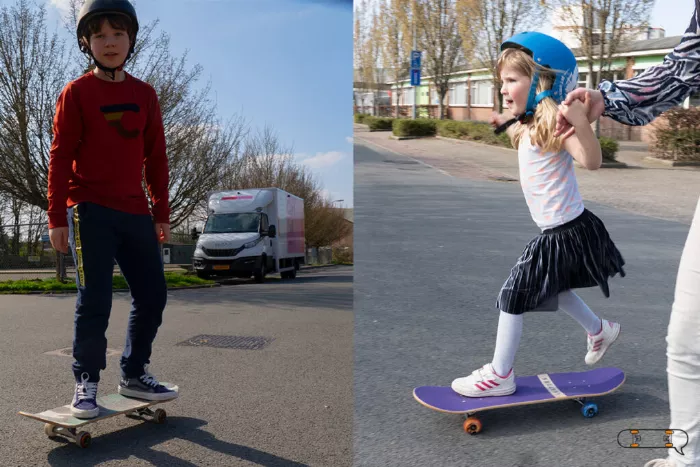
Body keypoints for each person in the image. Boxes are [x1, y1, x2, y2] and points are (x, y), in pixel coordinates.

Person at [554, 8, 700, 467]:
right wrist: (607, 98)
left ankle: (597, 331)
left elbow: (592, 160)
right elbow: (685, 67)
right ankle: (685, 457)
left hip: (569, 231)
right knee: (687, 339)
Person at [451, 31, 625, 398]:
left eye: (511, 80)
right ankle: (599, 330)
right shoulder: (529, 123)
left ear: (542, 81)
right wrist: (504, 119)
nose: (503, 88)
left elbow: (592, 161)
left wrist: (580, 121)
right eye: (502, 82)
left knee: (512, 296)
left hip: (565, 231)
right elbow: (516, 127)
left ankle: (500, 375)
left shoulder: (556, 124)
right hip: (560, 228)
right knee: (553, 291)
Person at [47, 0, 178, 419]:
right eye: (99, 34)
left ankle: (134, 374)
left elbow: (156, 158)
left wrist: (161, 211)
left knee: (153, 295)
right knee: (96, 299)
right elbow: (60, 156)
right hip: (89, 209)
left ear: (130, 40)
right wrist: (55, 217)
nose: (109, 42)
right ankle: (86, 383)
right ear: (86, 42)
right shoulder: (77, 92)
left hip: (136, 211)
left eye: (117, 33)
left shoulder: (145, 95)